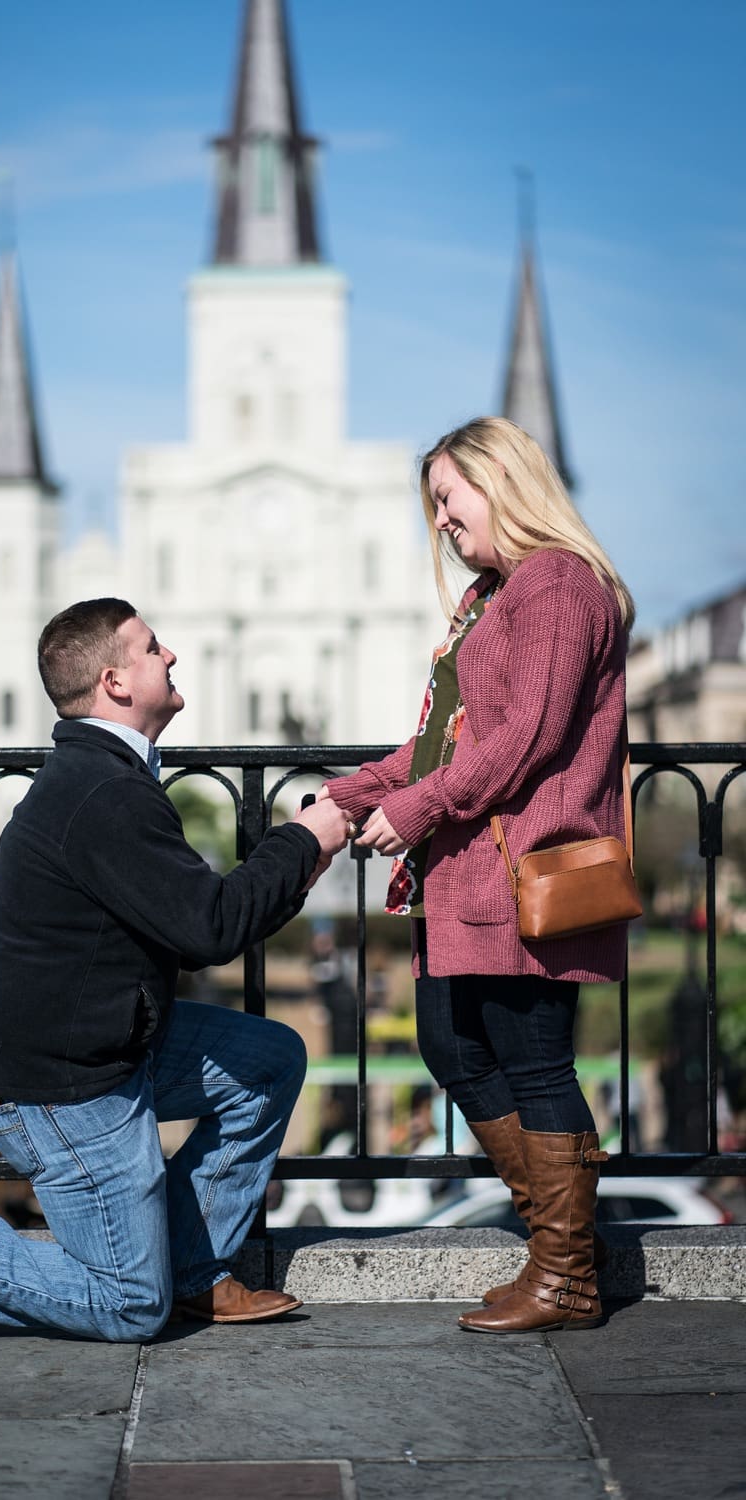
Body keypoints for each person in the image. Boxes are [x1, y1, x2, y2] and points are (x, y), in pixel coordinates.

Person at [0, 598, 349, 1351]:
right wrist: (301, 838)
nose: (170, 657)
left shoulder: (103, 777)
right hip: (56, 1087)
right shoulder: (104, 793)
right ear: (115, 681)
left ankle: (194, 1272)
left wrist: (303, 855)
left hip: (104, 1047)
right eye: (153, 648)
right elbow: (211, 926)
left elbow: (195, 924)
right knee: (127, 1304)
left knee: (267, 1063)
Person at [319, 417, 636, 1334]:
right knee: (452, 1047)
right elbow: (438, 744)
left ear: (502, 484)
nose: (444, 524)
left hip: (523, 863)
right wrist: (341, 799)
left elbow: (526, 737)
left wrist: (410, 810)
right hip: (470, 868)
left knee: (534, 1063)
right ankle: (560, 1251)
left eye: (449, 500)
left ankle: (568, 1273)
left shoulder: (558, 587)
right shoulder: (496, 597)